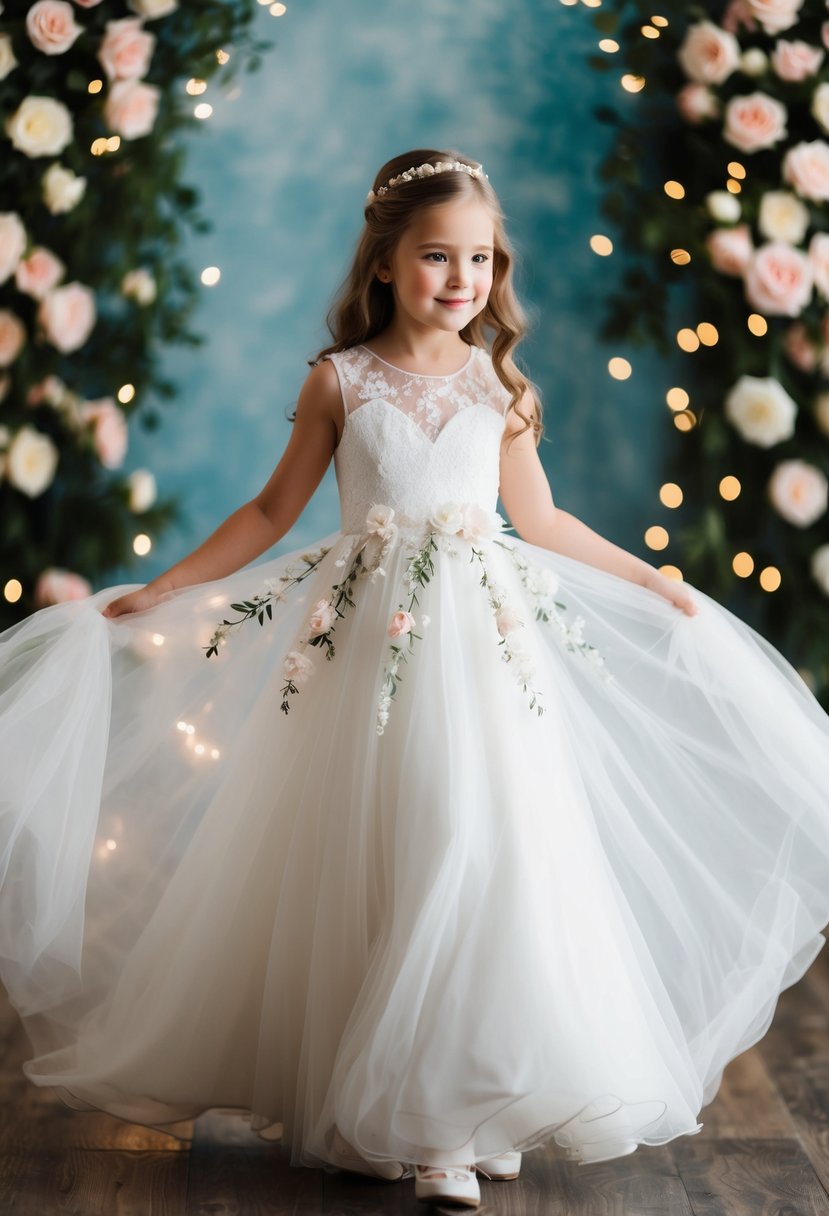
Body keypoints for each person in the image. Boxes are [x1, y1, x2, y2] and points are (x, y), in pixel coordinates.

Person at [1, 148, 829, 1211]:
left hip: (486, 664)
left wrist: (655, 580)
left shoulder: (498, 385)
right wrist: (163, 586)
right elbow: (268, 512)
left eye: (478, 259)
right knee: (392, 853)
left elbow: (541, 522)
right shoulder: (338, 380)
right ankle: (407, 1117)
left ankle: (466, 1099)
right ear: (385, 263)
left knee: (483, 853)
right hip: (371, 670)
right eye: (436, 257)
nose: (460, 280)